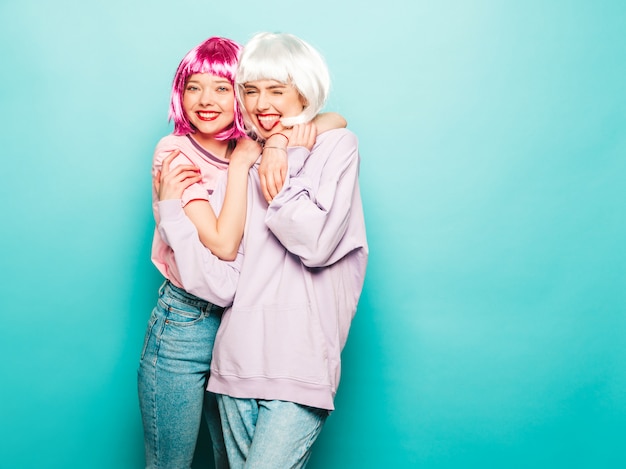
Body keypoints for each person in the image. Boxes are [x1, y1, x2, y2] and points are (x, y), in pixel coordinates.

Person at [156, 32, 368, 468]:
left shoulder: (336, 148)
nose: (261, 102)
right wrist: (172, 214)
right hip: (234, 363)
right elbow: (223, 273)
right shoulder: (243, 161)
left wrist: (281, 149)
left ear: (305, 92)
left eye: (276, 90)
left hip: (301, 366)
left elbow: (314, 241)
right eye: (250, 91)